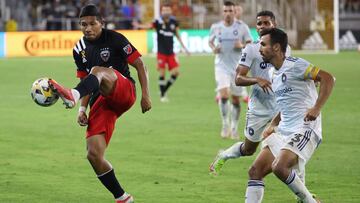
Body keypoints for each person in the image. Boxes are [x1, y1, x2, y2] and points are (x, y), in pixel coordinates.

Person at [48, 5, 151, 203]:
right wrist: (82, 108)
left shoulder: (115, 38)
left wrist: (145, 95)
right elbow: (85, 81)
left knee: (98, 70)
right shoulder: (78, 49)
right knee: (94, 154)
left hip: (124, 90)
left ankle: (72, 95)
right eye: (83, 25)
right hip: (101, 100)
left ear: (101, 23)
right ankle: (122, 197)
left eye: (92, 24)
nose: (88, 28)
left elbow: (140, 64)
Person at [244, 28, 334, 203]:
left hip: (305, 129)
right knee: (255, 171)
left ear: (276, 47)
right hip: (284, 131)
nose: (259, 48)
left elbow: (329, 78)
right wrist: (273, 124)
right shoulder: (273, 73)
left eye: (263, 44)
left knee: (279, 167)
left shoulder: (296, 65)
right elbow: (285, 104)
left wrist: (316, 108)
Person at [209, 10, 291, 176]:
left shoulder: (286, 48)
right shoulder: (251, 49)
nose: (262, 26)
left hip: (280, 107)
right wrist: (256, 80)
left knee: (289, 149)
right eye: (259, 23)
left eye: (266, 23)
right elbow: (238, 79)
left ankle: (302, 195)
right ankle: (224, 155)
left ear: (274, 24)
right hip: (258, 109)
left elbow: (290, 72)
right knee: (248, 149)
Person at [209, 1, 252, 139]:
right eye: (225, 11)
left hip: (237, 68)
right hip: (221, 66)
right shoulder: (216, 27)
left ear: (235, 12)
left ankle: (234, 127)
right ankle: (225, 124)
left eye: (230, 11)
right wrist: (214, 48)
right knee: (224, 94)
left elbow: (250, 44)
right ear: (222, 13)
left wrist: (242, 45)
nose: (228, 13)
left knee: (235, 99)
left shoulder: (242, 27)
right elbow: (210, 41)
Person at [134, 3, 189, 102]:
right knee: (162, 73)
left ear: (170, 11)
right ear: (161, 11)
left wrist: (185, 49)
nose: (166, 12)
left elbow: (178, 35)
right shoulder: (157, 21)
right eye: (164, 10)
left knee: (176, 73)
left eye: (167, 10)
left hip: (171, 52)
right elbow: (149, 26)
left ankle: (164, 89)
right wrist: (139, 25)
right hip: (161, 53)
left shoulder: (173, 22)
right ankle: (163, 95)